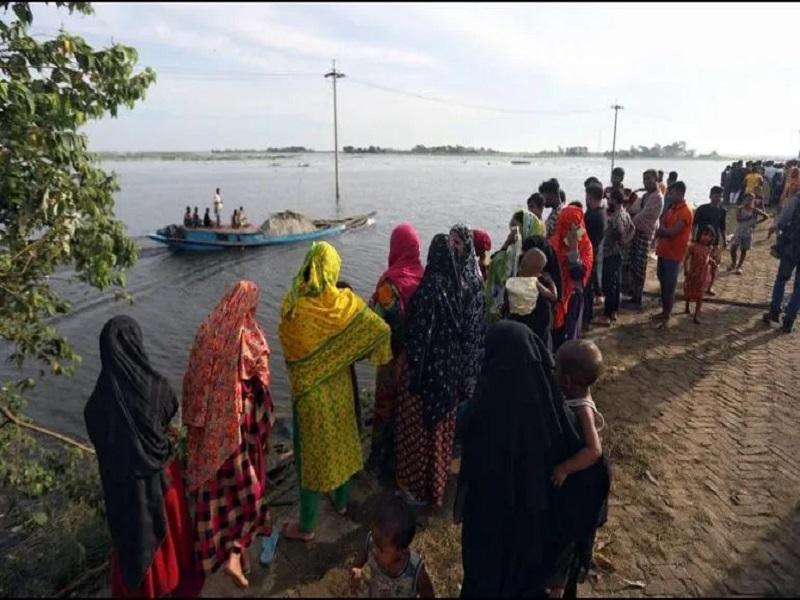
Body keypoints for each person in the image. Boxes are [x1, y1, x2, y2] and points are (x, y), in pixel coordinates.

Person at [457, 322, 608, 598]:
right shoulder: (560, 422)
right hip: (535, 567)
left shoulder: (483, 412)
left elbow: (459, 428)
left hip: (487, 552)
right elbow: (592, 486)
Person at [279, 242, 392, 540]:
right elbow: (380, 329)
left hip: (309, 396)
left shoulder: (294, 306)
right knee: (341, 446)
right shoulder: (343, 304)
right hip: (340, 388)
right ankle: (341, 504)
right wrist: (350, 352)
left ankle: (306, 526)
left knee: (309, 460)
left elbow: (291, 350)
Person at [85, 316, 203, 599]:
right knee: (174, 542)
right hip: (163, 483)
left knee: (135, 546)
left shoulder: (94, 407)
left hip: (125, 495)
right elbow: (170, 409)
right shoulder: (154, 387)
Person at [182, 281, 275, 588]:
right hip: (240, 430)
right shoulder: (250, 336)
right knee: (249, 494)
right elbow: (261, 384)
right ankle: (238, 552)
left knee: (219, 498)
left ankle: (229, 555)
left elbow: (191, 381)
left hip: (209, 436)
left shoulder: (206, 330)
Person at [551, 339, 611, 597]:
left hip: (585, 478)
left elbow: (594, 450)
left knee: (570, 537)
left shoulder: (583, 409)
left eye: (556, 370)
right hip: (581, 473)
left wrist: (565, 467)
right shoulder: (575, 395)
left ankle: (561, 583)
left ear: (566, 381)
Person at [368, 224, 425, 479]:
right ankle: (403, 458)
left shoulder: (388, 284)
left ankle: (378, 459)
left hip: (391, 356)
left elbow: (375, 321)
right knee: (406, 408)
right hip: (415, 357)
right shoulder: (424, 277)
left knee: (385, 406)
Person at [350, 497, 435, 598]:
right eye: (374, 542)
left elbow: (428, 594)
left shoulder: (415, 571)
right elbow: (359, 561)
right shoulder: (372, 542)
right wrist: (356, 571)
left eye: (380, 549)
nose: (374, 550)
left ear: (401, 552)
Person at [485, 209, 545, 322]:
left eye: (516, 229)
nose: (512, 233)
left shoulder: (534, 258)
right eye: (511, 229)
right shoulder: (510, 254)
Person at [550, 205, 593, 347]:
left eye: (574, 227)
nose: (570, 232)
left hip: (573, 298)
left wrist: (573, 250)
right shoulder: (554, 242)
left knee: (569, 338)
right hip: (555, 297)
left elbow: (578, 276)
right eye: (566, 226)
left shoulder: (586, 247)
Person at [653, 181, 693, 330]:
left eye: (673, 192)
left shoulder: (686, 211)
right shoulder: (671, 208)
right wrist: (662, 230)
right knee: (663, 283)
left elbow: (672, 232)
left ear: (680, 193)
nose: (670, 195)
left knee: (669, 286)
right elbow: (663, 224)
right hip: (663, 251)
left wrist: (660, 230)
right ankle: (664, 312)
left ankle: (667, 316)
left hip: (674, 254)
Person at [623, 169, 663, 308]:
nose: (645, 182)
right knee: (633, 265)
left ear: (656, 180)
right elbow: (633, 209)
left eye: (648, 179)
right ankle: (633, 295)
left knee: (640, 267)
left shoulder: (657, 197)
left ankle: (637, 299)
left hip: (645, 235)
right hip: (637, 232)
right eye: (644, 179)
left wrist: (628, 223)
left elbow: (642, 215)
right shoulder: (646, 195)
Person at [595, 188, 635, 327]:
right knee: (616, 283)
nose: (608, 201)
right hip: (618, 254)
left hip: (610, 254)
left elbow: (622, 235)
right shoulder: (625, 213)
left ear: (615, 200)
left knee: (609, 284)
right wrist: (626, 242)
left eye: (609, 199)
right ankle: (614, 310)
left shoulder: (617, 217)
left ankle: (607, 313)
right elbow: (633, 228)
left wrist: (624, 241)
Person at [763, 190, 800, 333]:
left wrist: (777, 230)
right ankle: (789, 321)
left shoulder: (797, 199)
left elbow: (783, 220)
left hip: (792, 246)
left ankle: (774, 312)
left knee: (782, 279)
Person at [502, 247, 558, 325]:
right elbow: (553, 296)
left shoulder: (513, 284)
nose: (522, 262)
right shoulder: (536, 285)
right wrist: (551, 282)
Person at [692, 186, 727, 295]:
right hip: (700, 242)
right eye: (716, 196)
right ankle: (694, 284)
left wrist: (724, 240)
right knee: (697, 265)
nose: (718, 199)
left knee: (714, 266)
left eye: (720, 197)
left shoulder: (722, 211)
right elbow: (694, 225)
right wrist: (693, 238)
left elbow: (722, 227)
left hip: (714, 243)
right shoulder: (702, 209)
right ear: (710, 196)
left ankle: (710, 287)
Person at [582, 184, 607, 330]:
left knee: (586, 289)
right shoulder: (601, 211)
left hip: (588, 254)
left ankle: (586, 319)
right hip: (595, 252)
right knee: (589, 287)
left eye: (587, 196)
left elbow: (582, 235)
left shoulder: (591, 216)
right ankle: (588, 316)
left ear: (590, 197)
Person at [728, 193, 769, 275]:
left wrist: (756, 223)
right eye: (748, 199)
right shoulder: (740, 209)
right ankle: (733, 263)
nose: (749, 201)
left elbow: (766, 216)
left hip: (748, 232)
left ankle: (739, 266)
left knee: (743, 250)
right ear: (744, 200)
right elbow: (738, 219)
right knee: (733, 248)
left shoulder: (755, 210)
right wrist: (750, 217)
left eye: (751, 199)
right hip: (739, 231)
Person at [683, 226, 716, 325]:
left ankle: (696, 315)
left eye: (710, 236)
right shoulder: (693, 246)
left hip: (703, 275)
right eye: (705, 234)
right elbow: (686, 259)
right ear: (699, 234)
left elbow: (707, 258)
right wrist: (686, 270)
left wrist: (712, 261)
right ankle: (687, 306)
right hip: (693, 274)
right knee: (689, 291)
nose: (707, 238)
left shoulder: (709, 248)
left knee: (700, 296)